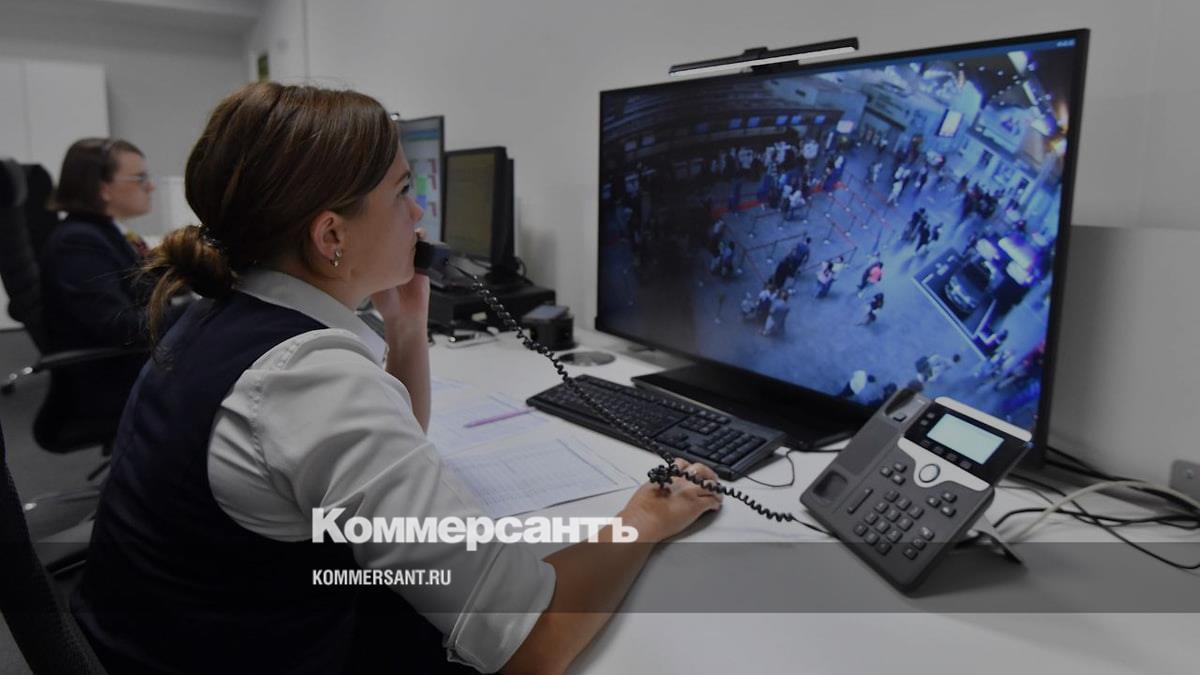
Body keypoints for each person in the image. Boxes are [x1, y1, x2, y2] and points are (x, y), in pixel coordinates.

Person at [72, 82, 723, 675]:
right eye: (402, 192)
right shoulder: (310, 380)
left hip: (163, 638)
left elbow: (366, 469)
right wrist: (641, 520)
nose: (418, 217)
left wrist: (406, 327)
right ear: (331, 234)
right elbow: (533, 644)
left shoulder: (221, 312)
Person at [39, 137, 170, 428]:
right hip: (109, 382)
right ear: (103, 188)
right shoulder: (78, 243)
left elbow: (140, 285)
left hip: (129, 365)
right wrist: (193, 312)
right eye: (140, 178)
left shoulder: (106, 232)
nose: (150, 186)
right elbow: (122, 326)